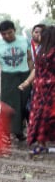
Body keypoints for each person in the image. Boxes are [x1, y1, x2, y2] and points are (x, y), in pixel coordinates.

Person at [19, 25, 55, 154]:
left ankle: (42, 144)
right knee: (39, 117)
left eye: (42, 34)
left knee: (47, 117)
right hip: (39, 90)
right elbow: (37, 69)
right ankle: (41, 144)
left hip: (51, 90)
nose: (38, 36)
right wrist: (28, 82)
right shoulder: (42, 50)